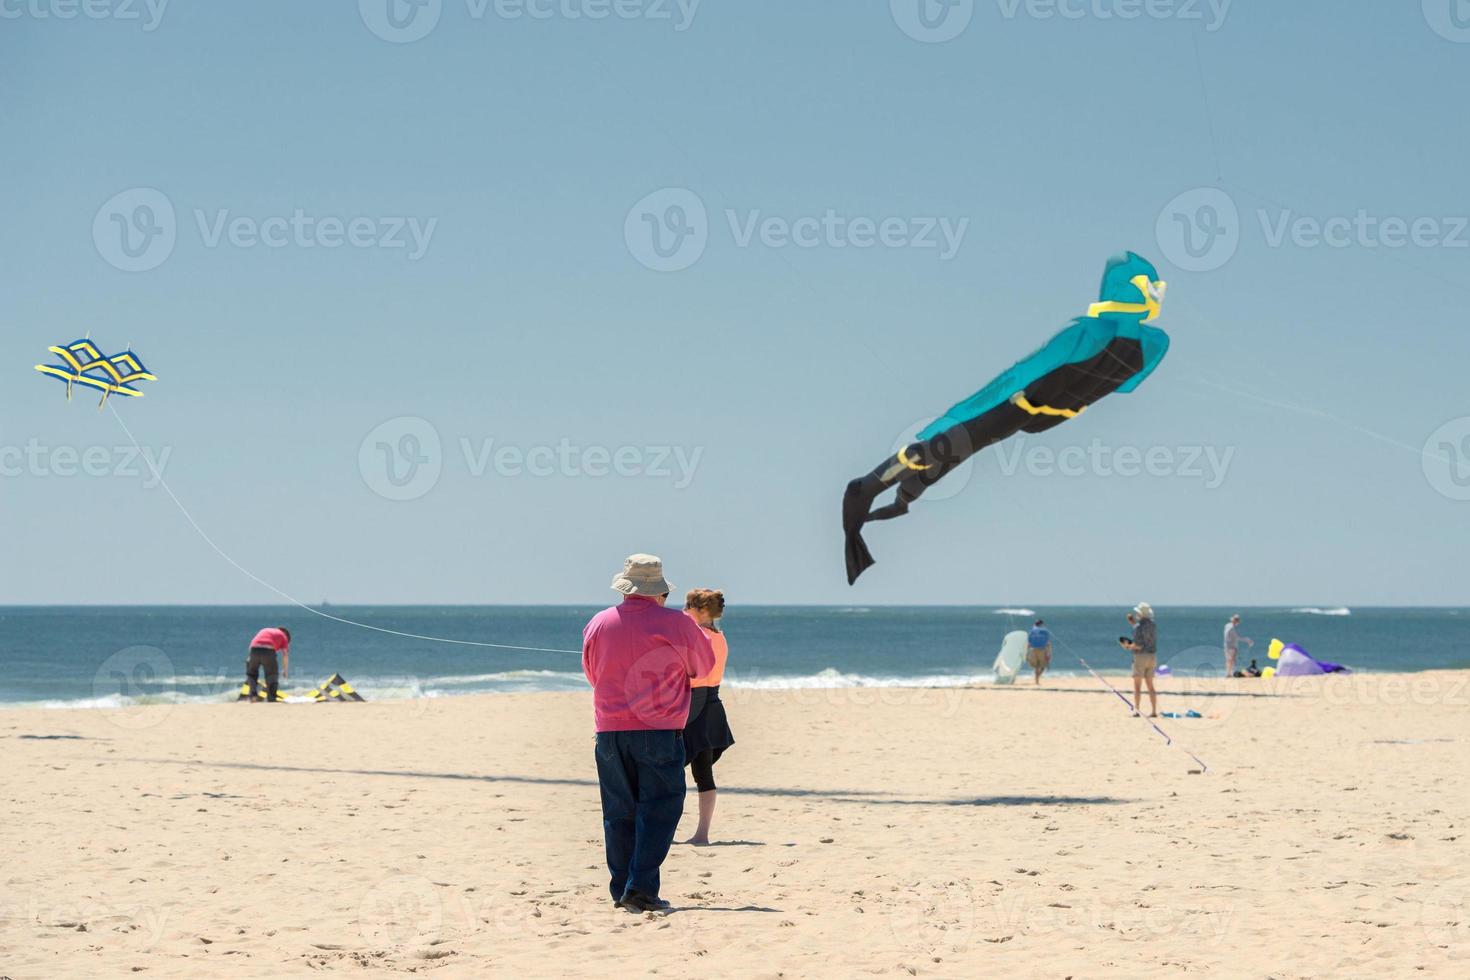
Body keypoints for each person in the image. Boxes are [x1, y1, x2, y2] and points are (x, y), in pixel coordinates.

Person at [582, 554, 714, 913]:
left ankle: (622, 888)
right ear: (658, 591)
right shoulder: (679, 623)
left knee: (618, 811)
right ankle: (639, 887)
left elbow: (592, 674)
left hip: (609, 730)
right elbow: (703, 668)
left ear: (626, 587)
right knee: (660, 808)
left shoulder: (598, 622)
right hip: (658, 730)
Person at [680, 588, 735, 846]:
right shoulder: (720, 637)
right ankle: (702, 833)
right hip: (713, 704)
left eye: (688, 606)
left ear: (701, 610)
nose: (683, 611)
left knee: (678, 770)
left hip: (695, 707)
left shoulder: (697, 635)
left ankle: (699, 834)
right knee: (703, 773)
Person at [1119, 602, 1158, 717]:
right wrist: (1133, 623)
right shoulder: (1153, 625)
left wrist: (1127, 646)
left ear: (1141, 613)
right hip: (1152, 656)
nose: (1136, 614)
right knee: (1150, 685)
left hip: (1140, 657)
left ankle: (1136, 711)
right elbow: (1143, 632)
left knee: (1137, 686)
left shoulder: (1138, 627)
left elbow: (1138, 644)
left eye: (1137, 613)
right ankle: (1154, 711)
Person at [245, 626, 290, 703]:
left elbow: (253, 643)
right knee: (272, 675)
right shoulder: (283, 636)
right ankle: (271, 698)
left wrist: (249, 659)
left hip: (254, 650)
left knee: (252, 674)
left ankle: (253, 696)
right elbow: (285, 655)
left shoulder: (264, 630)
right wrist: (285, 670)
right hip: (268, 651)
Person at [1223, 613, 1253, 678]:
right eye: (1237, 621)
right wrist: (1247, 640)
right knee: (1231, 660)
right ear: (1236, 621)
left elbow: (1229, 636)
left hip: (1227, 646)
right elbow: (1237, 637)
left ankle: (1228, 673)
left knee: (1229, 660)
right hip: (1231, 646)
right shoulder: (1231, 628)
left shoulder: (1227, 625)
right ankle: (1229, 673)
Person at [1025, 618, 1052, 686]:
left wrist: (1026, 653)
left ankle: (1036, 681)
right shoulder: (1045, 631)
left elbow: (1029, 643)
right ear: (1042, 624)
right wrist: (1049, 653)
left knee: (1037, 667)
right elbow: (1048, 643)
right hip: (1041, 650)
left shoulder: (1032, 631)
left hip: (1033, 650)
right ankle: (1037, 678)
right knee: (1042, 666)